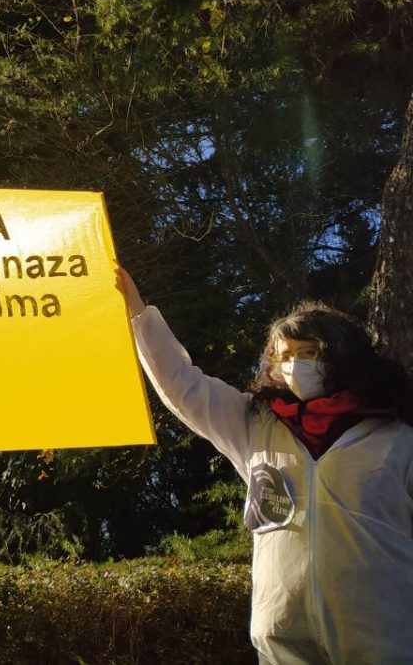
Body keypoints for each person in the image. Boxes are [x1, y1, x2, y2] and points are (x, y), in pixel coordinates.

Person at [119, 268, 413, 664]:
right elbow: (183, 385)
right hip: (282, 641)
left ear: (343, 356)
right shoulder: (255, 425)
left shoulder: (397, 437)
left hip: (384, 640)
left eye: (308, 353)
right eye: (284, 356)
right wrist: (138, 313)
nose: (294, 366)